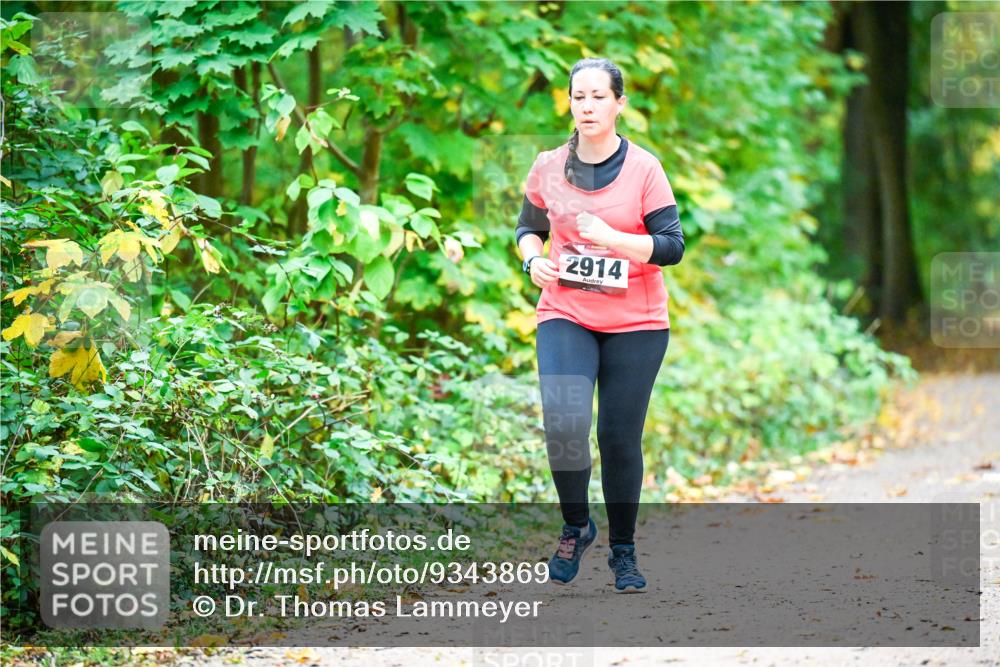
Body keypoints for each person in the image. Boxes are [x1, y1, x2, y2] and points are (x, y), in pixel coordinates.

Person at [514, 57, 684, 593]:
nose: (587, 106)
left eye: (598, 97)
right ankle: (575, 527)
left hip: (637, 321)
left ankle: (623, 552)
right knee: (564, 423)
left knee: (617, 437)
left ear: (619, 104)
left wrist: (612, 238)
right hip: (566, 310)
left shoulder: (645, 169)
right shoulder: (548, 166)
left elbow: (672, 246)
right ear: (569, 103)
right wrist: (531, 259)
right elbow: (528, 228)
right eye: (578, 96)